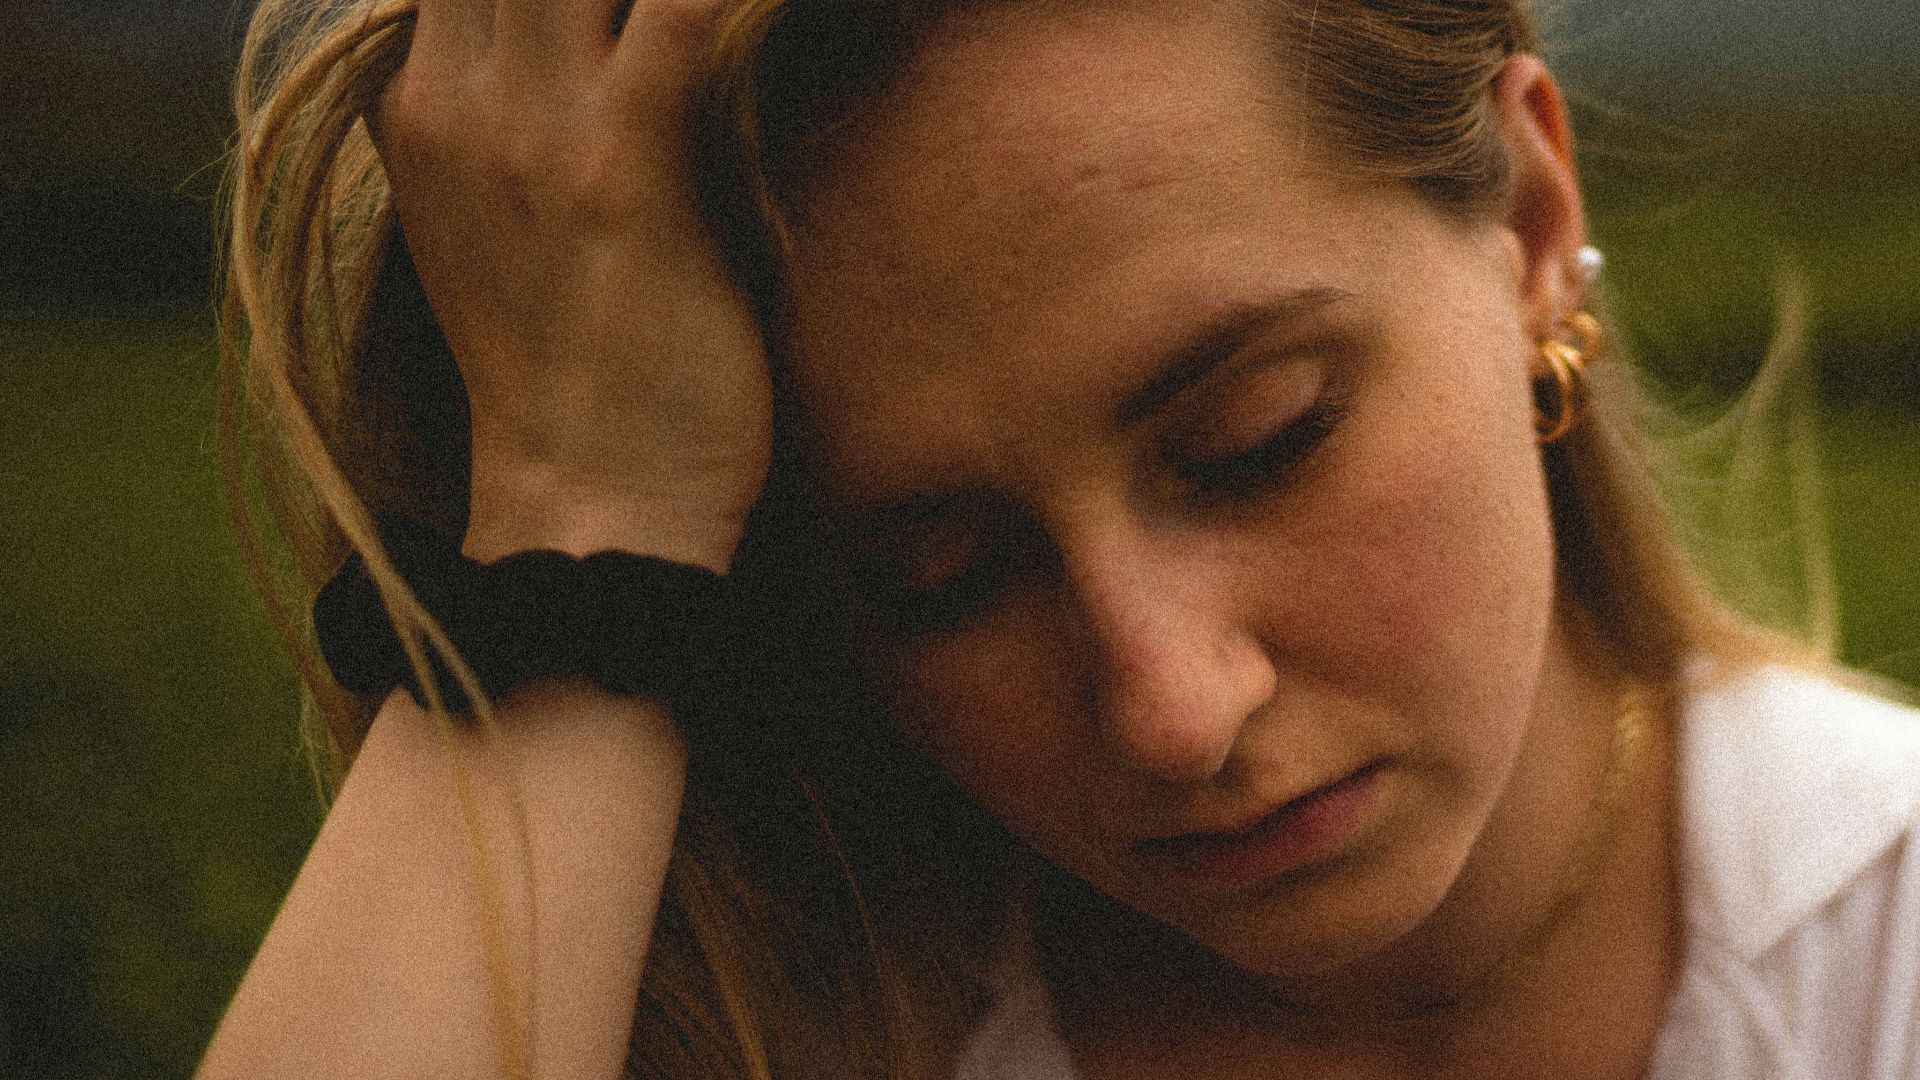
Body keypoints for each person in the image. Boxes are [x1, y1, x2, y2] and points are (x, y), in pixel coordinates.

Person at [195, 1, 1920, 1078]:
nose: (1174, 709)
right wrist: (578, 533)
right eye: (934, 576)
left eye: (1259, 442)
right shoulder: (784, 1023)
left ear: (1533, 226)